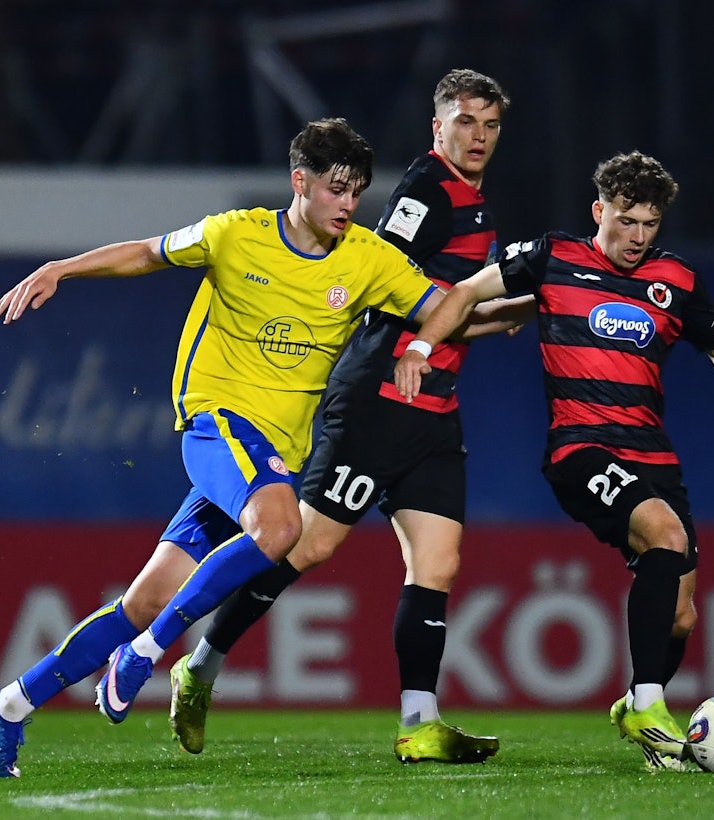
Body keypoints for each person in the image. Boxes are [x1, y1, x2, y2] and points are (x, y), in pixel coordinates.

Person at [0, 117, 519, 779]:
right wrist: (64, 268)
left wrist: (528, 303)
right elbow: (147, 252)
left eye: (356, 192)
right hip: (216, 422)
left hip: (270, 456)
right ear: (300, 183)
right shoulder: (237, 234)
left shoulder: (367, 258)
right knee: (281, 526)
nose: (348, 204)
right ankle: (149, 652)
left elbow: (448, 307)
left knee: (144, 597)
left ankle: (11, 703)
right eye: (337, 189)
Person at [168, 69, 529, 764]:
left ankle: (418, 723)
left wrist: (500, 315)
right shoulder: (426, 191)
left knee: (439, 563)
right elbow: (384, 283)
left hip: (434, 411)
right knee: (306, 546)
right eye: (464, 122)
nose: (477, 137)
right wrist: (438, 335)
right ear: (437, 127)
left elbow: (446, 308)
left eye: (489, 125)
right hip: (378, 404)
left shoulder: (475, 202)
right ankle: (200, 665)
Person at [394, 150, 714, 771]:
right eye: (626, 220)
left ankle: (635, 704)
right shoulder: (554, 256)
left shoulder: (676, 279)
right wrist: (419, 344)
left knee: (681, 611)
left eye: (649, 225)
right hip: (581, 447)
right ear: (599, 211)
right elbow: (466, 291)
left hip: (653, 454)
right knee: (665, 533)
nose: (637, 237)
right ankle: (652, 708)